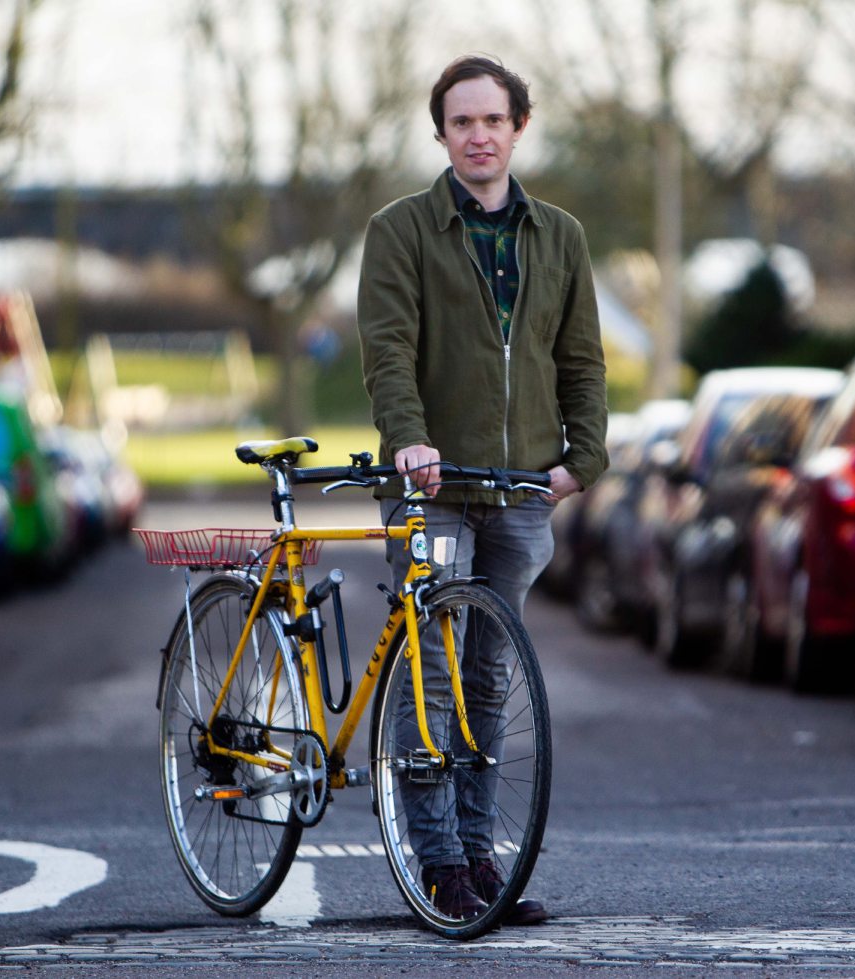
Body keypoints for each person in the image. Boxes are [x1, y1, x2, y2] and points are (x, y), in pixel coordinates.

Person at [357, 55, 608, 925]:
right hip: (432, 486)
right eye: (461, 122)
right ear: (441, 134)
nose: (478, 135)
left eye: (492, 120)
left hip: (522, 490)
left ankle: (479, 856)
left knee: (491, 677)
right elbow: (387, 350)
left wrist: (587, 457)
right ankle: (437, 864)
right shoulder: (400, 230)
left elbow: (580, 360)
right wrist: (409, 439)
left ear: (517, 128)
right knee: (429, 677)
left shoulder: (561, 236)